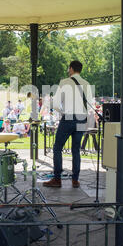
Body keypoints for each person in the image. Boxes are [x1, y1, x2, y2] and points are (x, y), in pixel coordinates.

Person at [43, 60, 94, 188]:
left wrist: (63, 111)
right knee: (76, 150)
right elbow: (90, 106)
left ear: (71, 69)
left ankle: (57, 179)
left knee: (57, 148)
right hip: (82, 118)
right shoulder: (87, 84)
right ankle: (75, 180)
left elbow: (55, 104)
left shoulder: (65, 82)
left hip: (68, 118)